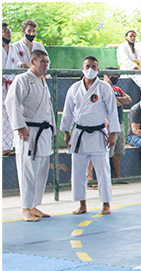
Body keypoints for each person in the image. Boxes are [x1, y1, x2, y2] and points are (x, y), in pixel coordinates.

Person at [61, 56, 119, 215]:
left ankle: (106, 204)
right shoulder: (74, 88)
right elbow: (67, 112)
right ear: (82, 69)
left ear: (98, 70)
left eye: (94, 66)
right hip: (79, 134)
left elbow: (113, 112)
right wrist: (66, 132)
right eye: (87, 66)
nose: (90, 69)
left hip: (99, 134)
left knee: (103, 171)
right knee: (78, 171)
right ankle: (82, 204)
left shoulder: (104, 88)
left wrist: (112, 134)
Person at [5, 50, 54, 222]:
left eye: (47, 62)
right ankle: (25, 208)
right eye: (42, 61)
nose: (46, 65)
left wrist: (52, 128)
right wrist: (20, 126)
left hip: (43, 132)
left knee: (41, 171)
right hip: (28, 132)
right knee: (27, 171)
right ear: (32, 61)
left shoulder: (42, 81)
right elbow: (11, 102)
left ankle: (33, 205)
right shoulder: (22, 79)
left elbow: (48, 108)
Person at [103, 67, 131, 180]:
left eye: (116, 75)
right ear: (106, 76)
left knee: (118, 151)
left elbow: (128, 100)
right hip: (108, 123)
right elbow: (111, 103)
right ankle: (107, 176)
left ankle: (117, 176)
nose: (115, 78)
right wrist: (117, 101)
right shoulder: (102, 88)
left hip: (119, 122)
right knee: (108, 151)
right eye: (112, 75)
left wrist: (117, 100)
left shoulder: (117, 89)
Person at [2, 22, 19, 156]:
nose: (8, 33)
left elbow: (17, 65)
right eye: (5, 31)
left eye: (9, 30)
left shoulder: (13, 48)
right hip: (2, 85)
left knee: (10, 114)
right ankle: (3, 146)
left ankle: (9, 145)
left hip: (10, 84)